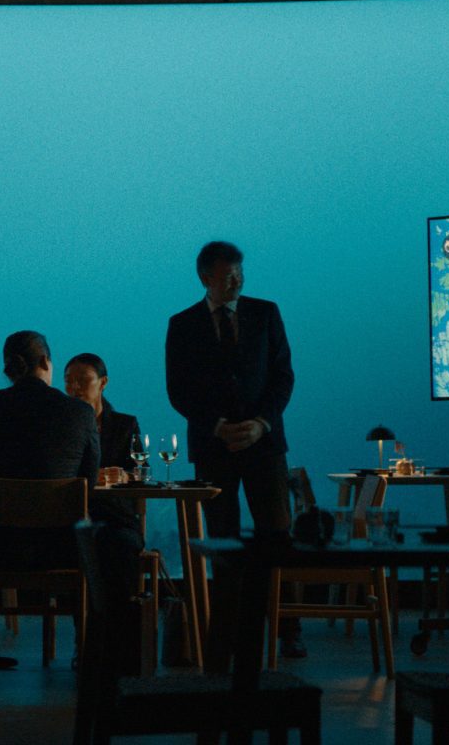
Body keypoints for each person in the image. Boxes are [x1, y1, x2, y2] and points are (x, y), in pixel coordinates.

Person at [0, 331, 130, 678]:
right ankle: (98, 652)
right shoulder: (79, 414)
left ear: (8, 368)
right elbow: (88, 482)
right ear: (46, 363)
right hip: (63, 549)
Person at [163, 240, 300, 656]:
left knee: (276, 533)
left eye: (240, 272)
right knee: (222, 539)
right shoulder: (182, 324)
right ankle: (227, 631)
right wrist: (218, 427)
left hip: (265, 444)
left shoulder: (266, 313)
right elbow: (178, 390)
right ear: (206, 277)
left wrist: (261, 424)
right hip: (214, 446)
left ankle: (286, 628)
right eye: (228, 275)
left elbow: (283, 377)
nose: (237, 280)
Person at [63, 352, 143, 477]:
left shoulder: (124, 425)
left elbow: (141, 469)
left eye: (83, 380)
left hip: (112, 495)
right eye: (69, 381)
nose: (75, 386)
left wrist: (124, 476)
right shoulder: (59, 425)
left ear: (103, 382)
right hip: (72, 495)